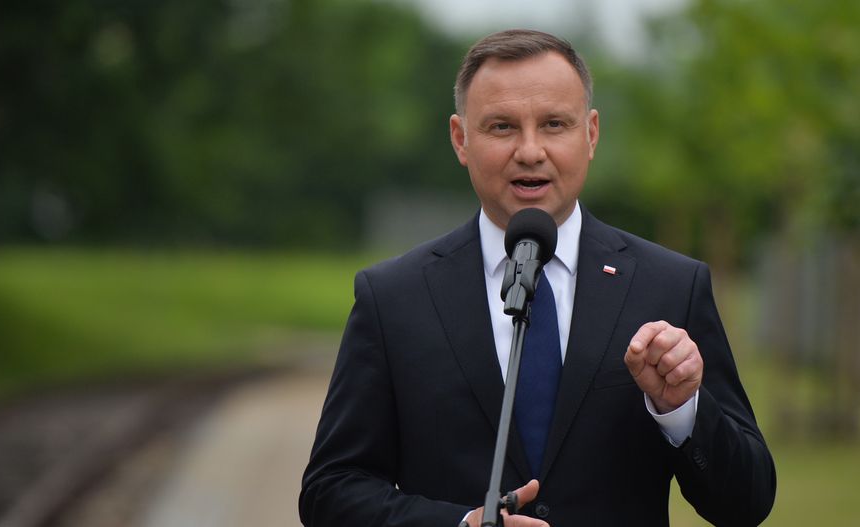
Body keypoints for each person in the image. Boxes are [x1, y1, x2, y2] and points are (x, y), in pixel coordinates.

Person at [299, 29, 775, 527]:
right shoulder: (393, 298)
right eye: (502, 127)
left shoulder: (671, 286)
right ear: (461, 139)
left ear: (590, 134)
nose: (530, 151)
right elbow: (330, 493)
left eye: (554, 124)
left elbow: (747, 504)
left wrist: (682, 410)